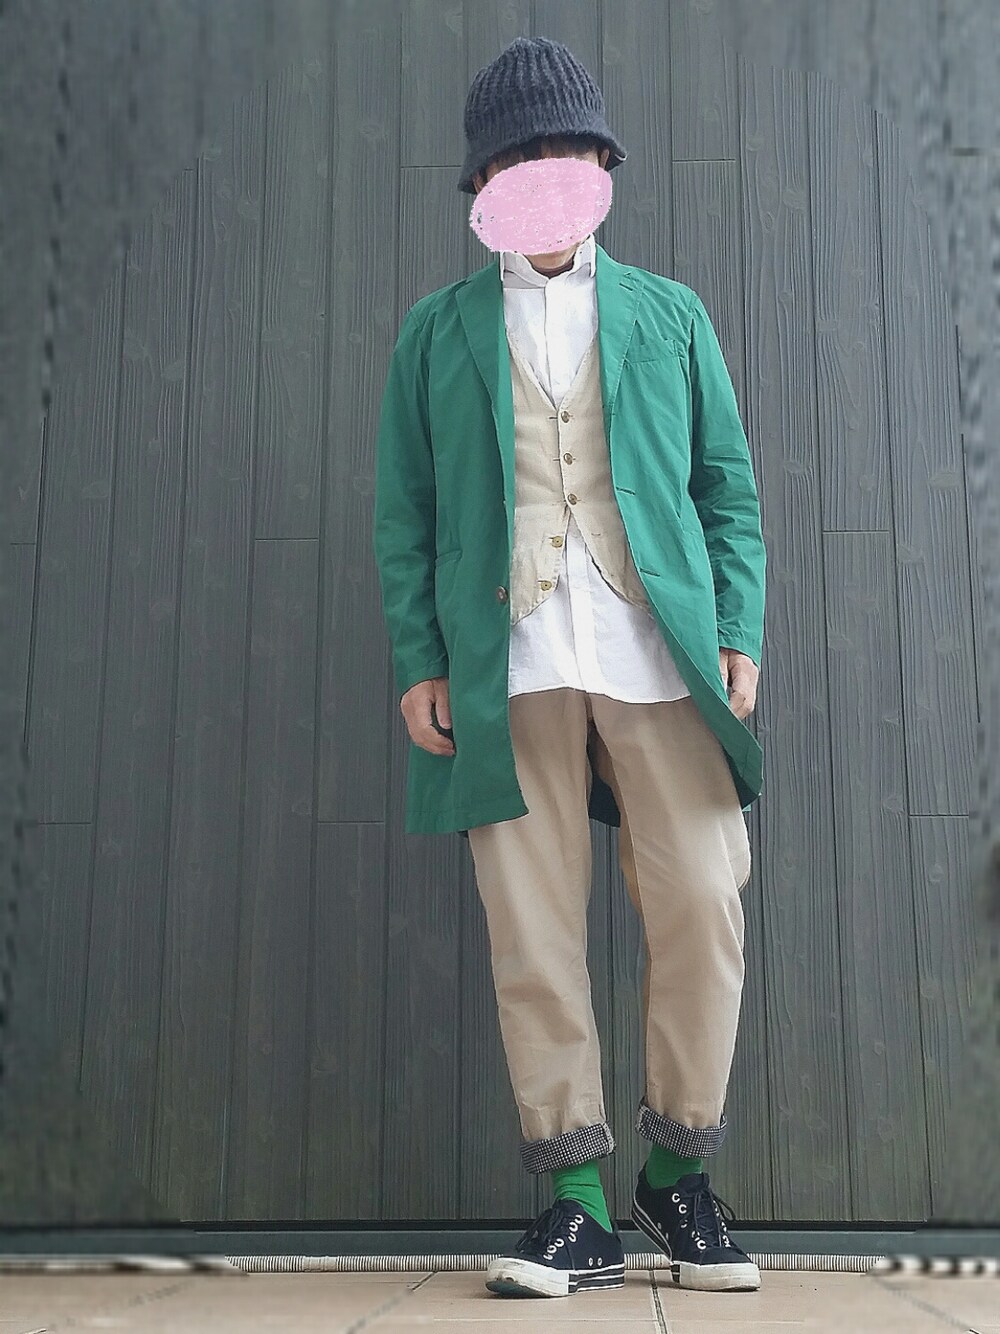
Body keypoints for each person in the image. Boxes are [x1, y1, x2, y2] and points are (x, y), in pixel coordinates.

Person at [372, 34, 767, 1300]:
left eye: (566, 149)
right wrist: (421, 656)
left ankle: (678, 1175)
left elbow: (725, 488)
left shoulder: (670, 313)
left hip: (659, 653)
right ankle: (579, 1205)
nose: (545, 171)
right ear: (485, 179)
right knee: (531, 929)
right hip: (511, 662)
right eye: (519, 155)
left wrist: (738, 627)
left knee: (702, 899)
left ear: (599, 163)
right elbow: (405, 512)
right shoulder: (436, 334)